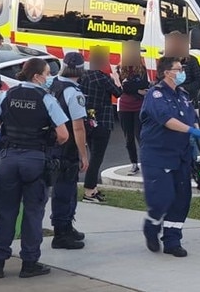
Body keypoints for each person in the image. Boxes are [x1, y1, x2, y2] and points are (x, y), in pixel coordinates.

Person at [0, 58, 69, 279]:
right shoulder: (46, 99)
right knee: (32, 214)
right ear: (37, 76)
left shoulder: (7, 95)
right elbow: (63, 135)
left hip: (9, 160)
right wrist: (49, 142)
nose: (49, 78)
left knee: (6, 212)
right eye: (47, 73)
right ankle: (29, 264)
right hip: (35, 162)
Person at [140, 57, 200, 258]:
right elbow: (167, 120)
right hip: (158, 155)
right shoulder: (156, 95)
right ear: (166, 72)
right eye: (178, 69)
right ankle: (151, 227)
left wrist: (196, 132)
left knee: (181, 199)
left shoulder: (183, 94)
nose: (182, 72)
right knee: (162, 197)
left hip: (181, 155)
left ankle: (172, 240)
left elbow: (191, 117)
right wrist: (190, 130)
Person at [48, 52, 89, 249]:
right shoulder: (74, 93)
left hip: (52, 145)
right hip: (68, 147)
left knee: (64, 189)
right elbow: (78, 127)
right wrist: (83, 154)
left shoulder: (51, 84)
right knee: (65, 190)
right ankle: (61, 233)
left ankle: (66, 227)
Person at [79, 53, 122, 202]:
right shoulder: (102, 78)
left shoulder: (83, 76)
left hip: (88, 120)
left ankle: (94, 189)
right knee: (97, 158)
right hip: (102, 121)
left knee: (93, 154)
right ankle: (89, 191)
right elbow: (118, 93)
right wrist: (116, 78)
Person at [117, 54, 150, 176]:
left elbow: (144, 84)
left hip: (139, 106)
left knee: (140, 135)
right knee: (128, 137)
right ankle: (134, 163)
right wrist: (137, 89)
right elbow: (123, 87)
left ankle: (146, 163)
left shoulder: (142, 69)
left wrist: (131, 86)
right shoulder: (119, 69)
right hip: (124, 107)